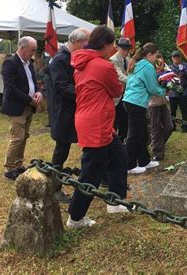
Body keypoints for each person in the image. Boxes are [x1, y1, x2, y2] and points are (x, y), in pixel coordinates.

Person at [67, 25, 129, 228]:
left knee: (119, 156)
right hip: (96, 122)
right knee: (92, 171)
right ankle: (75, 217)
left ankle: (115, 201)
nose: (113, 48)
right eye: (112, 44)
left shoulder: (81, 62)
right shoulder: (102, 66)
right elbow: (116, 89)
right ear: (105, 44)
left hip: (92, 119)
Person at [49, 28, 90, 203]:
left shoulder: (74, 57)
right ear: (77, 42)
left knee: (87, 145)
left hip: (77, 110)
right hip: (64, 112)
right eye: (86, 43)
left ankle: (89, 181)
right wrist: (85, 91)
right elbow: (61, 86)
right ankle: (54, 188)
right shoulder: (60, 59)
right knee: (61, 150)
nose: (88, 46)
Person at [1, 37, 43, 181]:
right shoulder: (10, 63)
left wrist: (38, 92)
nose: (34, 52)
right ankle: (9, 168)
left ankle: (18, 165)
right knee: (16, 137)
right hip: (17, 106)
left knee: (24, 136)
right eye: (32, 50)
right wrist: (30, 99)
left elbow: (33, 82)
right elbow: (11, 88)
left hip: (28, 106)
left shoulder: (28, 63)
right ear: (23, 48)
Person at [123, 43, 165, 175]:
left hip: (130, 100)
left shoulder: (137, 63)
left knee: (142, 133)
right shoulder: (147, 66)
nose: (157, 59)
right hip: (136, 102)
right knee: (134, 134)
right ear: (149, 55)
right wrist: (164, 90)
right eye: (155, 56)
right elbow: (152, 88)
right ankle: (129, 165)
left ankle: (144, 160)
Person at [148, 54, 173, 161]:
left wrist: (170, 86)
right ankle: (157, 154)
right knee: (155, 128)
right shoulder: (149, 70)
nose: (160, 63)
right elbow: (150, 87)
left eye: (162, 61)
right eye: (158, 61)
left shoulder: (166, 69)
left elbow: (171, 78)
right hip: (152, 104)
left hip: (163, 103)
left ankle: (157, 145)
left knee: (169, 127)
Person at [110, 37, 132, 142]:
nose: (125, 52)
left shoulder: (128, 59)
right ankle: (113, 141)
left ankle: (123, 140)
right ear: (118, 48)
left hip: (127, 94)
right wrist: (134, 81)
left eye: (127, 49)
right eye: (123, 49)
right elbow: (119, 75)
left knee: (124, 119)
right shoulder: (113, 60)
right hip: (117, 95)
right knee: (114, 121)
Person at [168, 50, 187, 133]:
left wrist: (184, 72)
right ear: (172, 58)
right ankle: (172, 126)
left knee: (183, 110)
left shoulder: (185, 65)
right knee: (173, 111)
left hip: (183, 91)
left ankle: (184, 126)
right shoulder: (169, 67)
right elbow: (167, 79)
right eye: (174, 57)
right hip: (173, 92)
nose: (176, 58)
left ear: (180, 57)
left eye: (177, 56)